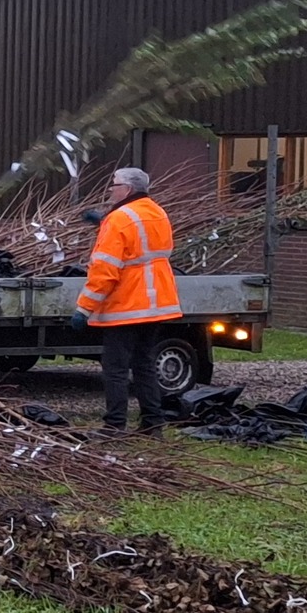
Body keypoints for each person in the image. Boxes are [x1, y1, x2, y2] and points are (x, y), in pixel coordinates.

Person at [71, 166, 183, 432]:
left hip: (127, 305)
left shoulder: (119, 219)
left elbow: (105, 270)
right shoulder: (157, 212)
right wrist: (104, 221)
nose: (111, 189)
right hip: (156, 303)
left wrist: (83, 309)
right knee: (144, 364)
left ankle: (114, 425)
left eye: (114, 185)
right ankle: (153, 422)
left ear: (128, 189)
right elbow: (142, 243)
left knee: (116, 369)